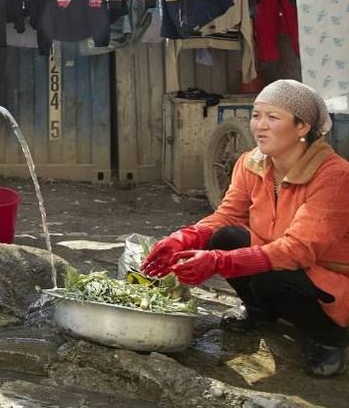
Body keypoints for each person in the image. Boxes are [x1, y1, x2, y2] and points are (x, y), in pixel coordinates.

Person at [143, 79, 349, 377]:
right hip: (282, 263)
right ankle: (261, 311)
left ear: (303, 127)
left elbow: (298, 251)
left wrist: (217, 262)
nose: (259, 126)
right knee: (224, 238)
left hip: (330, 280)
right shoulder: (250, 163)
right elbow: (227, 217)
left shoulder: (334, 177)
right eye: (256, 115)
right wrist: (183, 239)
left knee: (271, 276)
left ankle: (329, 337)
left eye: (272, 118)